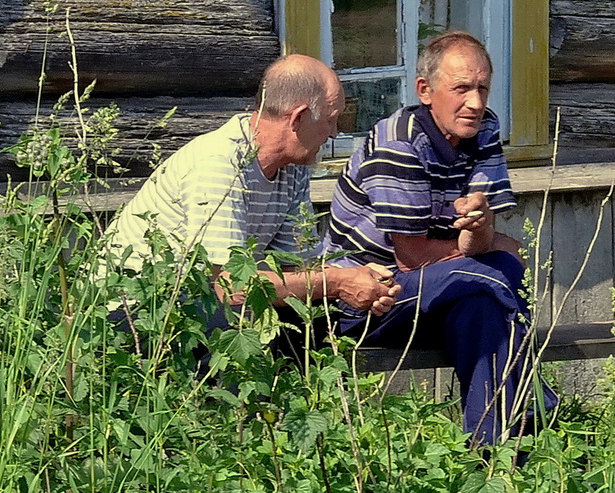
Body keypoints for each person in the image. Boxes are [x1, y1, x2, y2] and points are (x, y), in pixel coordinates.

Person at [319, 31, 555, 446]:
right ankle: (535, 401)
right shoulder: (400, 142)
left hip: (444, 288)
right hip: (368, 297)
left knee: (485, 305)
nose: (477, 103)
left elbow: (474, 244)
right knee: (499, 271)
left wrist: (481, 231)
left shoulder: (484, 129)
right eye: (462, 88)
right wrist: (489, 246)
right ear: (425, 91)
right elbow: (410, 258)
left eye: (483, 88)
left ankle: (492, 454)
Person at [111, 53, 402, 324]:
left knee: (315, 320)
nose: (335, 132)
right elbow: (230, 288)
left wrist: (360, 281)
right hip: (131, 311)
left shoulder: (293, 167)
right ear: (298, 117)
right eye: (331, 119)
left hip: (194, 307)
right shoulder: (221, 163)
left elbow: (298, 269)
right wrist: (336, 282)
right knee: (241, 322)